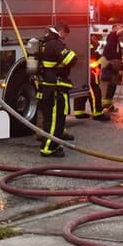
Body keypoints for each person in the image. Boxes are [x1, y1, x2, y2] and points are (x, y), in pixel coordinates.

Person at [37, 23, 76, 157]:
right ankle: (48, 148)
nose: (64, 38)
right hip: (54, 88)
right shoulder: (55, 43)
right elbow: (71, 59)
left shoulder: (44, 42)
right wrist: (72, 53)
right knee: (54, 120)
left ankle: (53, 144)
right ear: (62, 31)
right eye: (65, 35)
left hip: (48, 86)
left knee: (51, 119)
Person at [96, 25, 123, 119]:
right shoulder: (112, 35)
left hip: (113, 65)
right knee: (106, 86)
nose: (121, 28)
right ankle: (103, 106)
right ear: (114, 29)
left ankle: (108, 105)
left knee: (111, 86)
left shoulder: (116, 40)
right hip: (109, 64)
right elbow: (122, 30)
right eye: (119, 27)